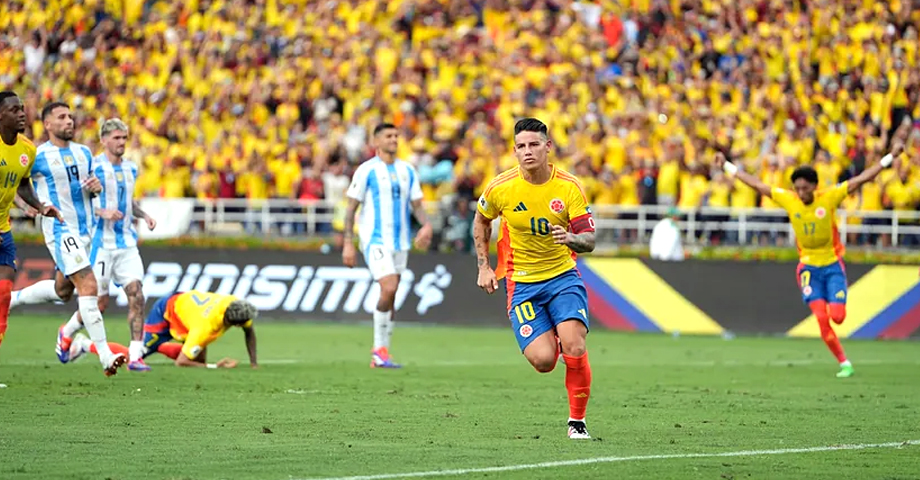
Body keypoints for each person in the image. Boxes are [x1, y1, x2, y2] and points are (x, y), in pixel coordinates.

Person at [715, 142, 903, 379]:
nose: (801, 193)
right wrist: (727, 166)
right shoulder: (789, 199)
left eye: (805, 189)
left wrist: (889, 157)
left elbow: (862, 179)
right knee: (822, 319)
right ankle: (844, 363)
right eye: (797, 189)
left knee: (838, 316)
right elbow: (756, 184)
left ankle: (841, 338)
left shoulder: (829, 198)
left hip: (833, 265)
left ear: (814, 186)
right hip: (808, 269)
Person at [472, 118, 596, 439]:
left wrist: (571, 239)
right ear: (514, 151)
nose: (528, 152)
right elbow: (481, 221)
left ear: (548, 147)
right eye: (522, 147)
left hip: (562, 278)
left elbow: (589, 240)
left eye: (534, 145)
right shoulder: (501, 187)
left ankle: (577, 422)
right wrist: (484, 266)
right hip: (522, 284)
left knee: (574, 345)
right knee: (543, 361)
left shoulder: (568, 186)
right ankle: (553, 330)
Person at [12, 101, 127, 376]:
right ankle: (105, 356)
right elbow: (14, 182)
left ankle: (14, 298)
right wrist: (25, 205)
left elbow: (88, 189)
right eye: (62, 117)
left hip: (87, 230)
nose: (69, 121)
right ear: (47, 124)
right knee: (89, 287)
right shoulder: (36, 155)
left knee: (63, 292)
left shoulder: (84, 152)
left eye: (71, 117)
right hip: (61, 230)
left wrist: (96, 188)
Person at [342, 123, 433, 369]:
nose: (394, 139)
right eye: (388, 136)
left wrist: (426, 225)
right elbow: (351, 209)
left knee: (391, 296)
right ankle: (378, 351)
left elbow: (417, 205)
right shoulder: (366, 170)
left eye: (396, 135)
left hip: (400, 241)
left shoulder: (408, 170)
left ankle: (382, 354)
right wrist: (348, 243)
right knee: (389, 286)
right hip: (375, 239)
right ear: (376, 141)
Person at [0, 91, 63, 385]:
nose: (22, 114)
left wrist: (40, 207)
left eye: (23, 109)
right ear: (1, 115)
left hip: (3, 230)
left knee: (3, 295)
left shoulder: (27, 149)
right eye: (15, 110)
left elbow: (23, 183)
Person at [86, 118, 158, 371]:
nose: (121, 143)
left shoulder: (131, 168)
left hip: (127, 243)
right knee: (98, 304)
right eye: (116, 138)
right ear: (104, 140)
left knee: (137, 295)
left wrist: (144, 215)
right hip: (102, 244)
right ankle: (72, 337)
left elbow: (128, 202)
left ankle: (136, 356)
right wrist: (101, 211)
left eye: (124, 138)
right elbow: (80, 203)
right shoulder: (92, 166)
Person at [73, 290, 258, 369]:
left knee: (197, 355)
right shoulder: (204, 327)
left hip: (186, 309)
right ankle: (84, 344)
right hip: (166, 313)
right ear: (235, 323)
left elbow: (250, 332)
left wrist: (254, 363)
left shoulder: (234, 305)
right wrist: (213, 367)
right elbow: (181, 362)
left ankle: (158, 346)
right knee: (134, 358)